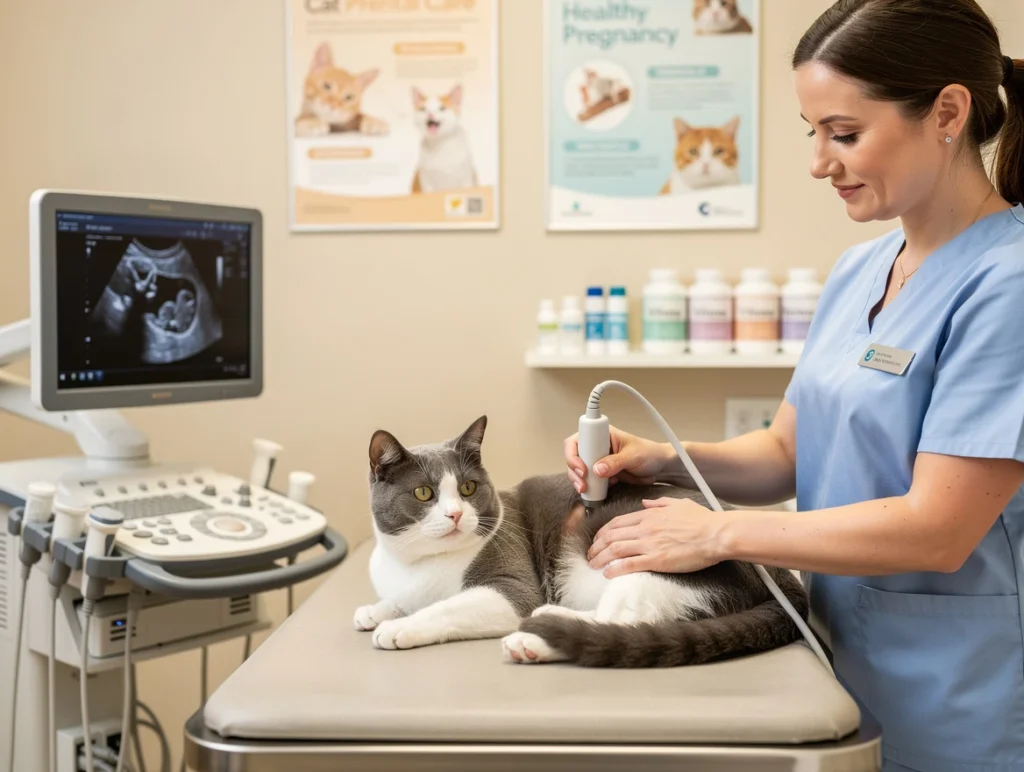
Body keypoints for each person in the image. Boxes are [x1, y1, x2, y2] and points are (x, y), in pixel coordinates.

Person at [564, 2, 1024, 770]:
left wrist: (718, 533)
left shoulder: (1008, 284)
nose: (819, 162)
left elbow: (939, 530)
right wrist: (663, 458)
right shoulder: (858, 271)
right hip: (831, 666)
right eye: (813, 132)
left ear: (948, 112)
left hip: (961, 698)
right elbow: (785, 452)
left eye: (844, 134)